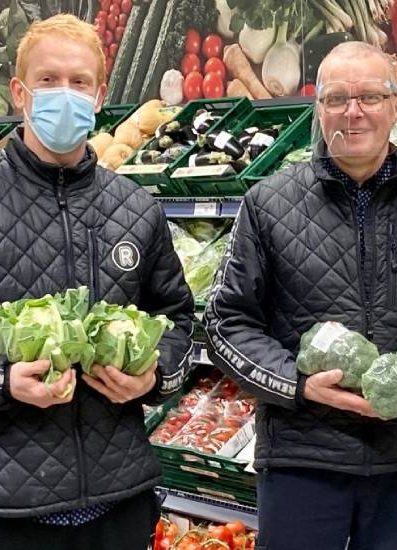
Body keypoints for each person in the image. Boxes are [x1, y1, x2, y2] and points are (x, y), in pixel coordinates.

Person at [204, 41, 397, 550]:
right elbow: (225, 321)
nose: (353, 111)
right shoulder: (268, 203)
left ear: (396, 107)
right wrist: (298, 385)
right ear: (318, 109)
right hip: (303, 460)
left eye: (369, 96)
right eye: (337, 97)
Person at [0, 13, 194, 550]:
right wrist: (4, 382)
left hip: (121, 500)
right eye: (48, 80)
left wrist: (152, 377)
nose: (65, 94)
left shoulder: (137, 209)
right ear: (20, 93)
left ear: (101, 95)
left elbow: (178, 320)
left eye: (80, 82)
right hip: (12, 510)